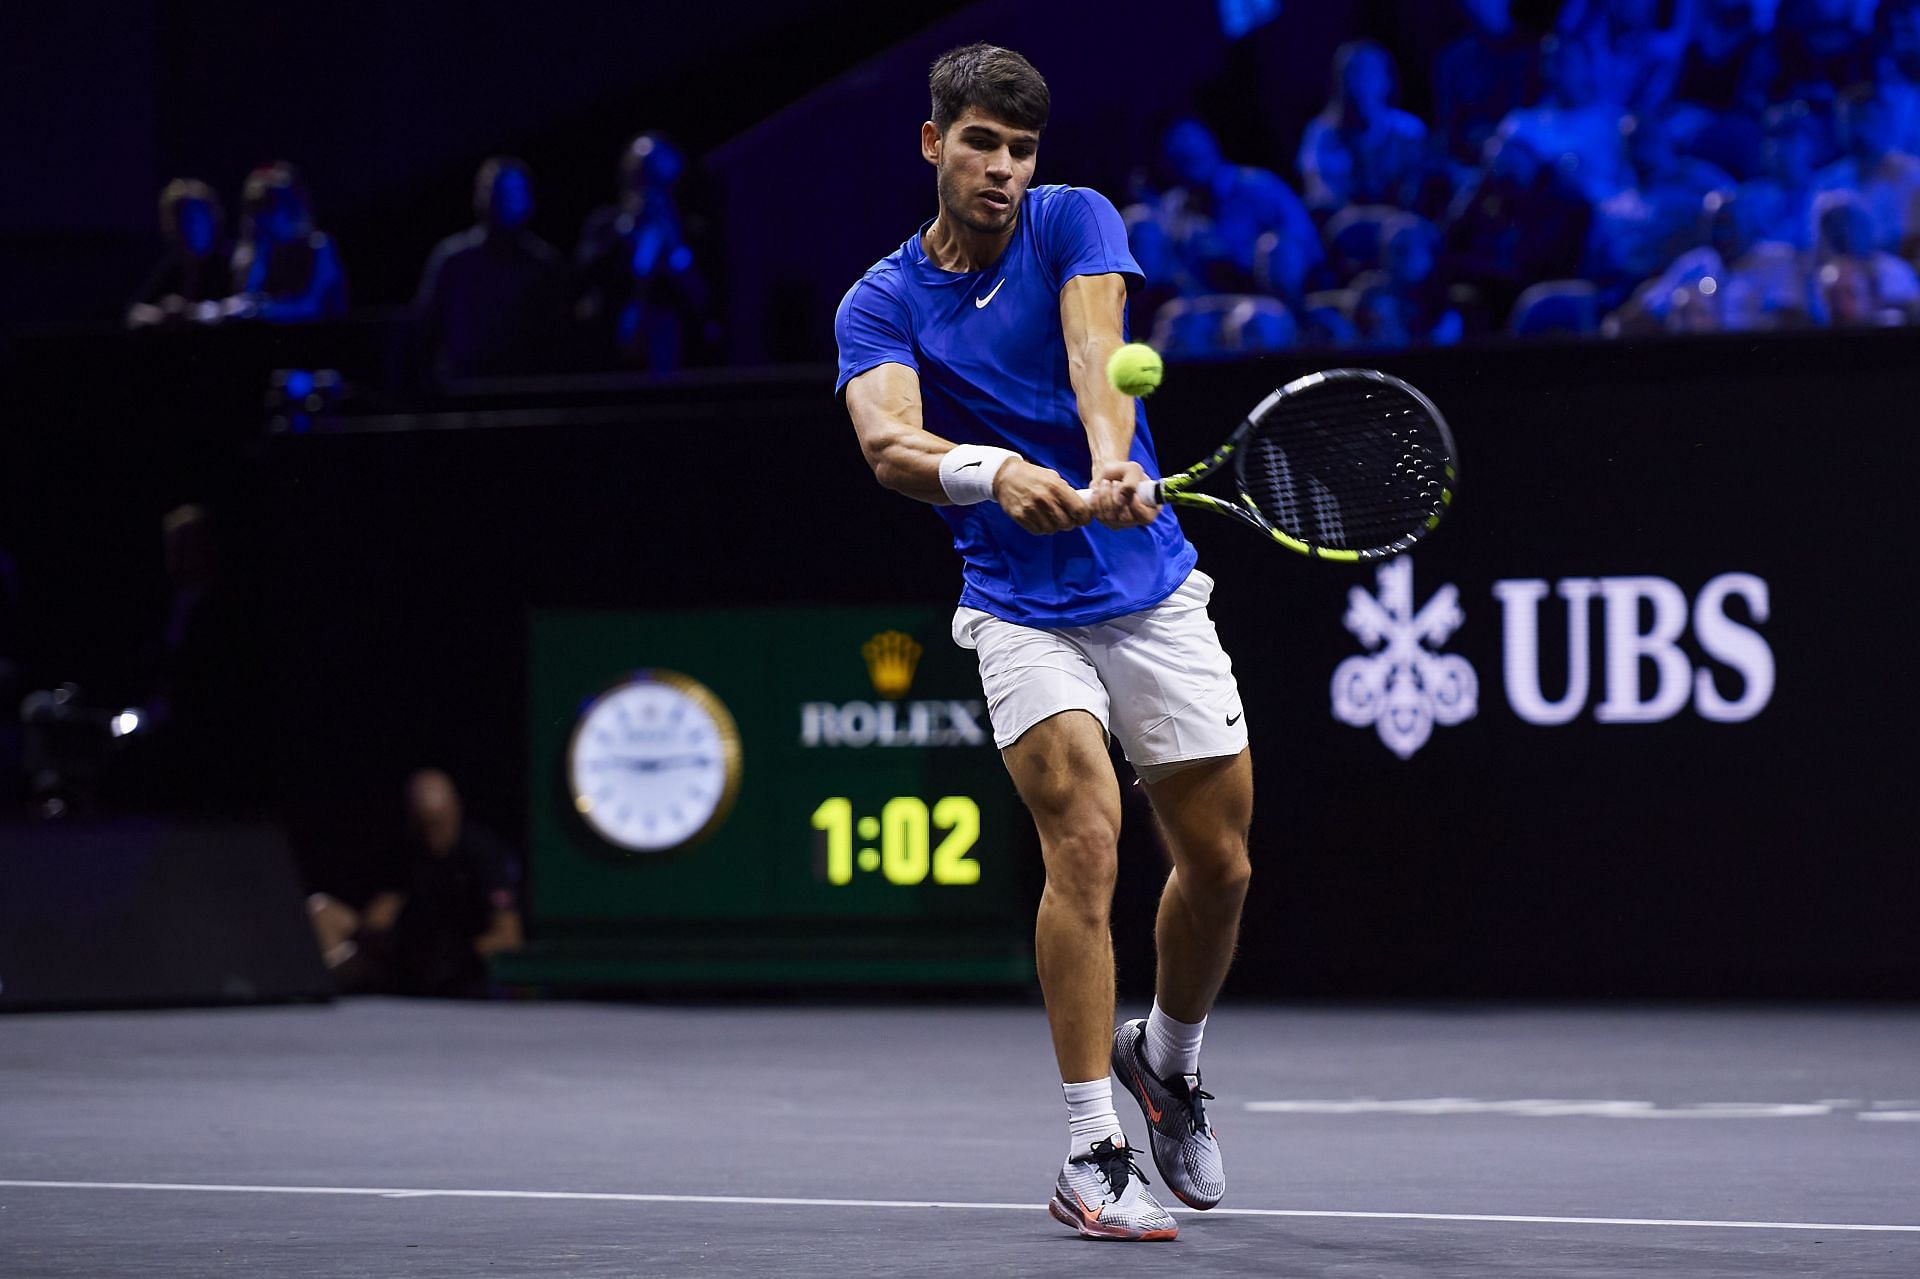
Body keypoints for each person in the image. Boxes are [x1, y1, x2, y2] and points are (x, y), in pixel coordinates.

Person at [834, 44, 1252, 1242]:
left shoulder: (1073, 219)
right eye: (981, 145)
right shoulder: (882, 301)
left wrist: (1110, 452)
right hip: (1020, 613)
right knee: (1085, 839)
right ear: (933, 145)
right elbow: (889, 446)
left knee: (1220, 867)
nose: (1004, 171)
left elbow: (1093, 346)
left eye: (1020, 150)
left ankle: (1165, 1062)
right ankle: (1090, 1149)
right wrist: (994, 472)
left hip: (1151, 593)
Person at [308, 769, 522, 996]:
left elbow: (509, 937)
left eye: (438, 824)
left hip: (463, 975)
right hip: (408, 966)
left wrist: (459, 952)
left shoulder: (483, 854)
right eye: (423, 825)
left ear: (457, 809)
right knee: (319, 910)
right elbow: (378, 919)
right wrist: (386, 934)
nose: (431, 836)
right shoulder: (407, 851)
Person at [411, 157, 569, 385]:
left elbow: (556, 335)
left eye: (512, 193)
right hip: (460, 386)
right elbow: (424, 325)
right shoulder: (452, 258)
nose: (503, 201)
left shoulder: (544, 264)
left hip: (524, 388)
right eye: (495, 191)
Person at [575, 132, 713, 371]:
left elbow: (701, 294)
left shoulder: (690, 230)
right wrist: (625, 230)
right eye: (641, 176)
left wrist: (673, 244)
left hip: (676, 351)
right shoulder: (604, 225)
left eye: (656, 178)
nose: (648, 190)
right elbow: (586, 280)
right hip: (610, 349)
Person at [1296, 40, 1432, 213]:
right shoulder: (1322, 133)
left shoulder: (1409, 131)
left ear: (1388, 79)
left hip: (1400, 222)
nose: (1362, 83)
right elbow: (1317, 191)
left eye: (1371, 73)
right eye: (1355, 74)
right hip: (1346, 223)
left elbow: (1419, 189)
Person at [227, 163, 348, 322]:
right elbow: (250, 296)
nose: (262, 219)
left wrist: (261, 310)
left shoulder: (319, 247)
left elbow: (311, 307)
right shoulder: (263, 249)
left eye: (269, 208)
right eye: (256, 211)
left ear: (291, 207)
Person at [1433, 0, 1544, 169]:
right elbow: (1446, 126)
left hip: (1524, 159)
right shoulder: (1453, 58)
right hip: (1467, 167)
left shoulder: (1534, 53)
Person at [127, 180, 232, 328]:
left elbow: (245, 306)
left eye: (197, 219)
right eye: (183, 220)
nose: (190, 228)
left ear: (213, 218)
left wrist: (192, 312)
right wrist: (161, 313)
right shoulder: (175, 263)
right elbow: (134, 312)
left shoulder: (231, 262)